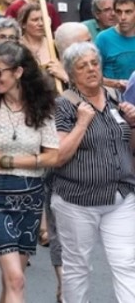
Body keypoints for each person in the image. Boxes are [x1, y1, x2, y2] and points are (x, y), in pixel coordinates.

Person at [0, 42, 60, 303]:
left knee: (13, 281)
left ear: (18, 72)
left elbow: (52, 156)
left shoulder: (42, 106)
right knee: (16, 279)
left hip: (31, 199)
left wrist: (8, 160)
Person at [52, 42, 135, 303]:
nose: (91, 69)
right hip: (78, 200)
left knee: (127, 262)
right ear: (71, 73)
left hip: (120, 195)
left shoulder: (116, 98)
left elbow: (129, 148)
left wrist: (133, 124)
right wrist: (82, 122)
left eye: (94, 63)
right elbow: (58, 155)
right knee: (77, 268)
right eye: (82, 66)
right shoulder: (63, 105)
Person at [95, 0, 135, 90]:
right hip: (114, 100)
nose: (123, 17)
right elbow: (93, 77)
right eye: (118, 12)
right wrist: (116, 83)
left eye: (128, 12)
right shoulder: (103, 39)